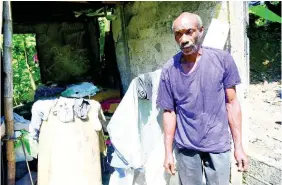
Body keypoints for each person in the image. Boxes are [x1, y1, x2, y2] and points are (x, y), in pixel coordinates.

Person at [156, 12, 249, 185]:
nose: (183, 39)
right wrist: (168, 152)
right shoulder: (169, 70)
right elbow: (169, 112)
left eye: (189, 31)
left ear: (201, 31)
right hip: (186, 148)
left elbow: (232, 103)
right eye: (178, 34)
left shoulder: (222, 60)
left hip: (217, 145)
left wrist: (239, 147)